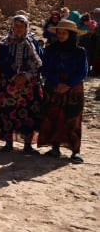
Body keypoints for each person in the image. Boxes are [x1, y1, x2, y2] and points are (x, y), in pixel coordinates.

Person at [39, 19, 89, 163]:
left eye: (64, 33)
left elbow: (83, 71)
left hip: (73, 89)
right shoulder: (50, 49)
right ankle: (55, 148)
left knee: (73, 118)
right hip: (53, 86)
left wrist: (68, 84)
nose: (60, 35)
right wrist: (57, 82)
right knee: (53, 115)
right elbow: (46, 68)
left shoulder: (80, 51)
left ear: (71, 34)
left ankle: (75, 150)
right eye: (59, 33)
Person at [0, 15, 43, 153]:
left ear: (26, 27)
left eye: (22, 26)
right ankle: (8, 143)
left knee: (28, 113)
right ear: (12, 26)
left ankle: (27, 145)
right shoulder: (5, 43)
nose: (18, 29)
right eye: (16, 26)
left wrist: (26, 76)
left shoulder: (33, 43)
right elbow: (2, 62)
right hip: (9, 84)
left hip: (29, 85)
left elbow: (39, 63)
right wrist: (14, 77)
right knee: (7, 112)